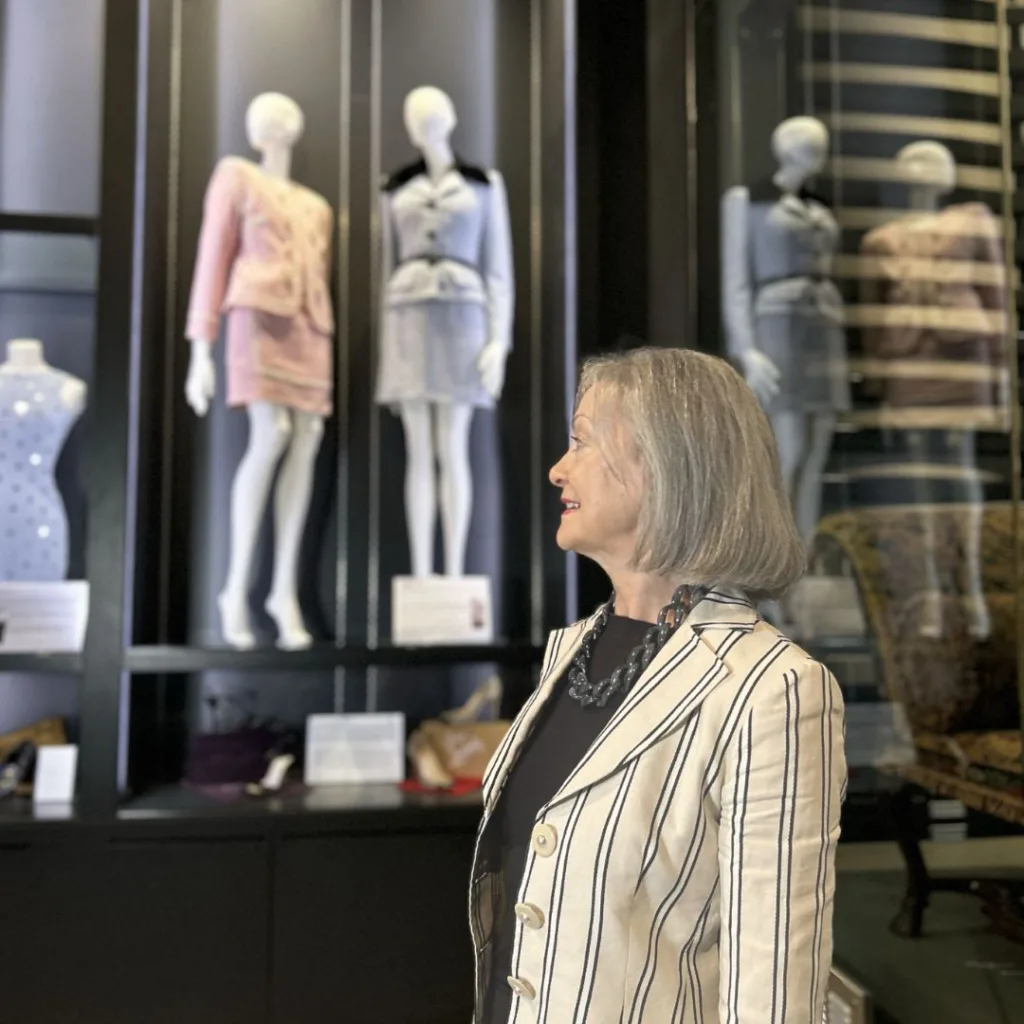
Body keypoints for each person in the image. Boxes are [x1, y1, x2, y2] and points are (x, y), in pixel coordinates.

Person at [469, 347, 847, 1023]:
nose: (558, 468)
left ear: (667, 465)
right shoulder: (573, 656)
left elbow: (774, 990)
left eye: (582, 441)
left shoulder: (773, 691)